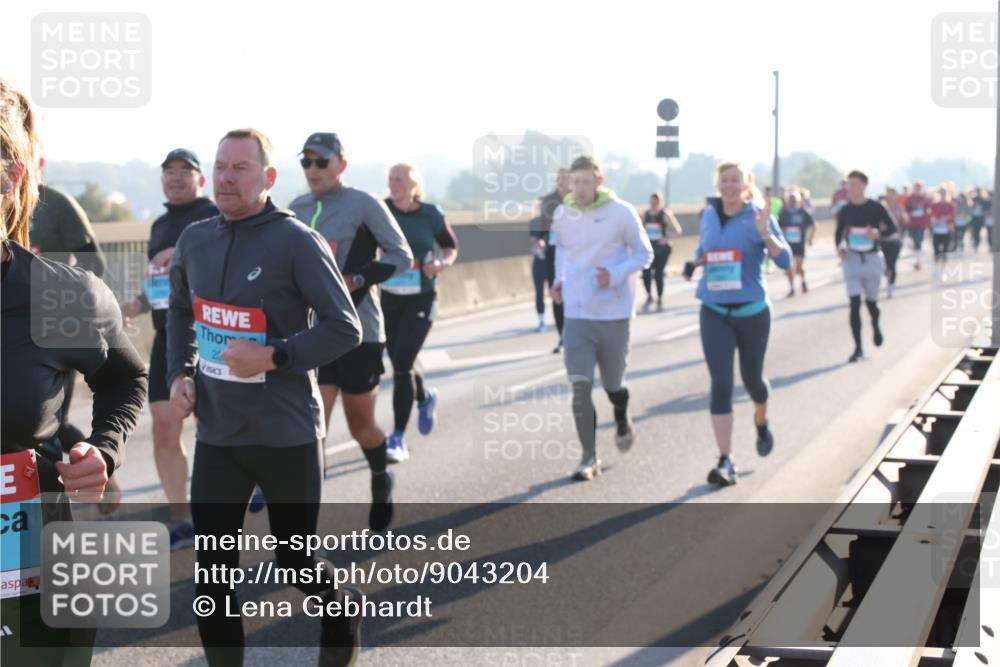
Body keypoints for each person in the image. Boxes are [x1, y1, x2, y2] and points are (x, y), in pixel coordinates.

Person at [167, 128, 365, 667]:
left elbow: (344, 327)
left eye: (242, 168)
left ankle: (341, 609)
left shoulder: (295, 240)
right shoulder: (196, 239)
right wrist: (179, 373)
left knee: (296, 559)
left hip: (286, 431)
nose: (228, 178)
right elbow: (182, 311)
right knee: (212, 573)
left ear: (268, 177)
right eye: (221, 167)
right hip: (220, 434)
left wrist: (275, 355)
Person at [1, 76, 148, 667]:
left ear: (10, 178)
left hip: (29, 568)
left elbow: (124, 378)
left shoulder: (59, 297)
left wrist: (102, 451)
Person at [288, 132, 412, 520]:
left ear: (341, 164)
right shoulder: (296, 208)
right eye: (305, 161)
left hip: (361, 333)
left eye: (320, 161)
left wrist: (355, 280)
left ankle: (380, 474)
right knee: (312, 429)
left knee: (362, 426)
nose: (312, 169)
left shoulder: (363, 204)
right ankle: (302, 531)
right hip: (312, 334)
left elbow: (402, 255)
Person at [120, 148, 219, 550]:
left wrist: (179, 252)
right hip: (168, 336)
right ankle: (182, 518)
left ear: (201, 179)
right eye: (169, 172)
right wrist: (136, 304)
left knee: (216, 428)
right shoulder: (160, 224)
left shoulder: (215, 214)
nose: (175, 178)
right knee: (164, 426)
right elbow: (165, 284)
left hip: (211, 333)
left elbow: (216, 268)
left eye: (185, 171)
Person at [682, 161, 790, 486]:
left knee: (753, 380)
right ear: (718, 184)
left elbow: (784, 260)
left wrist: (766, 235)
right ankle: (726, 460)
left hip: (752, 313)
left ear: (745, 184)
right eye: (724, 180)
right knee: (721, 384)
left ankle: (761, 420)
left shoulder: (758, 215)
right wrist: (694, 262)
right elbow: (707, 250)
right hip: (714, 310)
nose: (729, 185)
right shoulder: (708, 215)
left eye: (736, 180)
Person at [550, 155, 652, 481]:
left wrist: (618, 273)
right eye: (574, 182)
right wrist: (558, 281)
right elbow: (561, 252)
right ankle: (588, 456)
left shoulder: (620, 212)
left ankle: (621, 412)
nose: (579, 189)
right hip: (577, 314)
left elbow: (644, 253)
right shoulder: (563, 213)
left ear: (599, 182)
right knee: (580, 386)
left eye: (585, 182)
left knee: (612, 385)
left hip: (613, 313)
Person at [29, 152, 110, 461]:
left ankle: (96, 467)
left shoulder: (57, 204)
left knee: (50, 423)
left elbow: (95, 266)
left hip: (54, 330)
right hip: (10, 330)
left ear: (38, 162)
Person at [381, 163, 458, 462]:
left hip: (422, 298)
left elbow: (450, 247)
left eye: (400, 179)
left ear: (414, 184)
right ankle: (424, 398)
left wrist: (441, 264)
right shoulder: (380, 211)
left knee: (401, 365)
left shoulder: (431, 214)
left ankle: (397, 437)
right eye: (390, 179)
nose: (394, 184)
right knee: (403, 360)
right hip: (389, 297)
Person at [835, 170, 898, 363]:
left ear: (863, 185)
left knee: (872, 303)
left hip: (872, 259)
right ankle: (858, 348)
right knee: (854, 304)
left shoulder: (876, 207)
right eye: (848, 184)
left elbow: (892, 227)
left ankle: (876, 324)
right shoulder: (845, 210)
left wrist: (878, 233)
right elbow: (838, 233)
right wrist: (840, 248)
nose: (850, 187)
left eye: (854, 183)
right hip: (852, 259)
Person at [539, 167, 569, 351]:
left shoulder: (578, 199)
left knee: (572, 293)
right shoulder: (549, 201)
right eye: (558, 178)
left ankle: (573, 333)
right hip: (553, 252)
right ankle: (562, 337)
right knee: (556, 292)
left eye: (565, 178)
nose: (561, 181)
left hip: (573, 252)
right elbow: (542, 227)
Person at [640, 191, 682, 311]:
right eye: (651, 202)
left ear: (660, 203)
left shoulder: (665, 215)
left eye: (655, 202)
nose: (653, 205)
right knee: (646, 273)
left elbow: (677, 230)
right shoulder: (646, 215)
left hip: (661, 248)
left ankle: (659, 298)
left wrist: (666, 238)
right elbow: (639, 230)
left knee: (658, 273)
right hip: (649, 247)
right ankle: (649, 296)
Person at [777, 191, 815, 296]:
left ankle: (803, 280)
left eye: (795, 200)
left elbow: (813, 225)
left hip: (799, 244)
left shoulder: (803, 212)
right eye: (791, 200)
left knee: (798, 266)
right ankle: (792, 287)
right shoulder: (784, 213)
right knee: (789, 268)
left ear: (798, 201)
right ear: (788, 201)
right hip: (788, 244)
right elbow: (778, 227)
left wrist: (810, 238)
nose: (793, 202)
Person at [881, 187, 906, 298]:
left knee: (892, 264)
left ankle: (890, 286)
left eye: (892, 194)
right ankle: (887, 274)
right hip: (882, 240)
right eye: (888, 194)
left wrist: (903, 219)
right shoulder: (881, 208)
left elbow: (905, 220)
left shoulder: (899, 208)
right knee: (885, 264)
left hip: (895, 240)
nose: (890, 197)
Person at [929, 185, 956, 274]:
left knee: (945, 249)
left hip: (946, 229)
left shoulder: (950, 205)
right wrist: (935, 221)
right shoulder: (934, 204)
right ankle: (937, 266)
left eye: (944, 193)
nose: (942, 195)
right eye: (941, 193)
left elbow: (953, 216)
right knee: (936, 249)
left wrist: (945, 218)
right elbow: (931, 215)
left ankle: (943, 267)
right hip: (937, 230)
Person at [904, 181, 931, 270]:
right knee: (913, 242)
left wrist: (926, 217)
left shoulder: (925, 198)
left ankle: (918, 261)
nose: (918, 189)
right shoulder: (910, 198)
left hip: (921, 223)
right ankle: (915, 259)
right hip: (912, 223)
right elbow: (906, 209)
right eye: (916, 188)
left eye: (919, 188)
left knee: (919, 241)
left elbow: (928, 210)